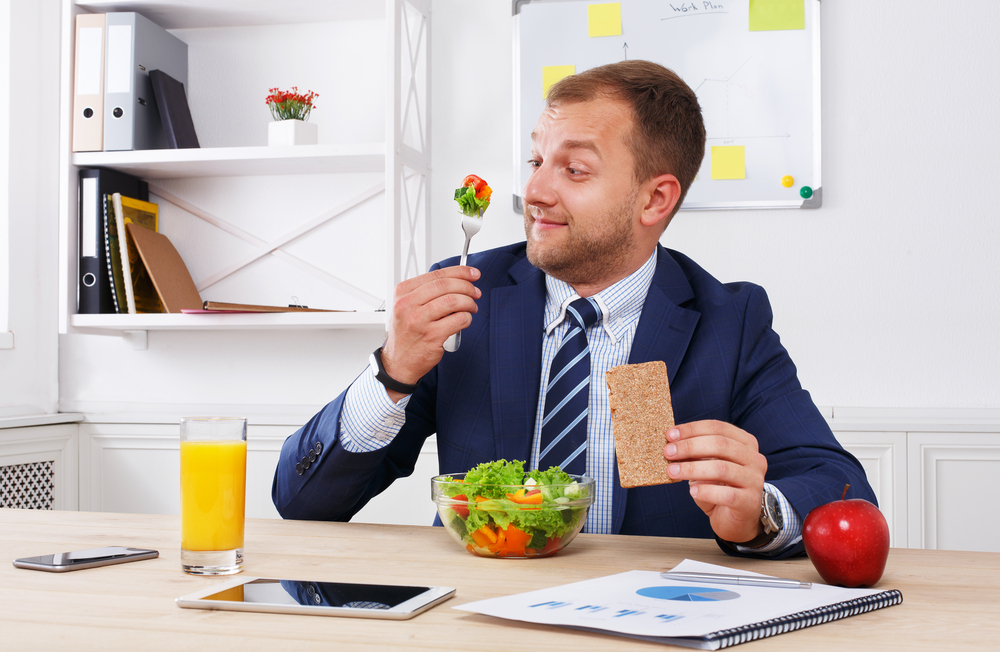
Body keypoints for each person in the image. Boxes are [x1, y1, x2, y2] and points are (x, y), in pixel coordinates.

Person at [272, 60, 875, 559]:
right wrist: (393, 369)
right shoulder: (466, 300)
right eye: (537, 161)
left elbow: (839, 486)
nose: (534, 192)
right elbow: (303, 503)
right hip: (480, 614)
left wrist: (759, 512)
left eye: (575, 169)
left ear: (655, 199)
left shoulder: (728, 320)